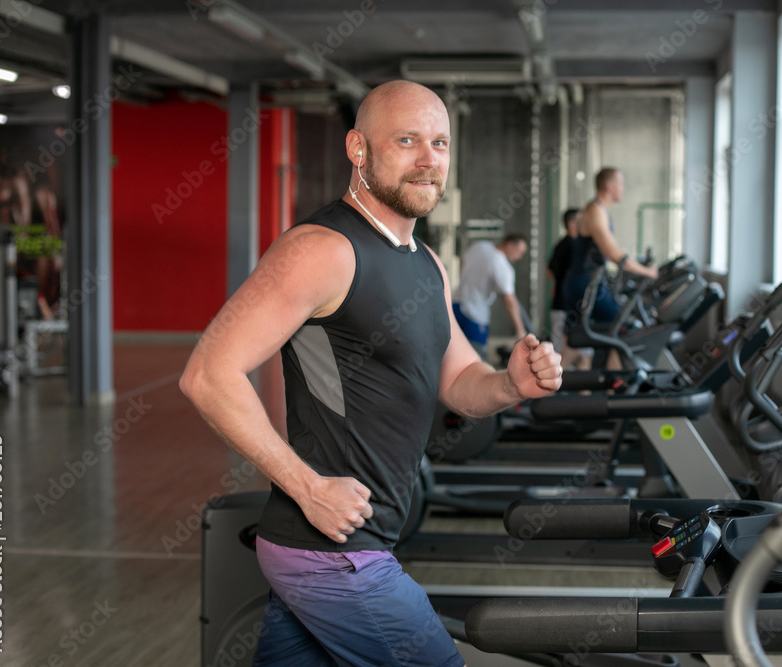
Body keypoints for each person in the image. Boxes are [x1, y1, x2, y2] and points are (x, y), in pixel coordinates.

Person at [180, 80, 562, 667]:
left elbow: (460, 382)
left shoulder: (427, 264)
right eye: (406, 140)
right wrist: (308, 487)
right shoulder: (321, 250)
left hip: (343, 542)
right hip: (333, 554)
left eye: (439, 142)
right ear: (359, 149)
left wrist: (512, 384)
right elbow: (208, 374)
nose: (428, 158)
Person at [561, 167, 658, 326]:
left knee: (575, 342)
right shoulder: (595, 211)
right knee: (623, 327)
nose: (623, 188)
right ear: (609, 186)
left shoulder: (599, 211)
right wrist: (647, 271)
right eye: (621, 183)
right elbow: (615, 255)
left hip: (582, 282)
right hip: (587, 285)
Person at [451, 233, 529, 359]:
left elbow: (463, 263)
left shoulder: (479, 246)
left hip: (455, 304)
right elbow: (509, 301)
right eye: (519, 252)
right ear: (509, 245)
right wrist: (520, 330)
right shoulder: (503, 266)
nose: (519, 257)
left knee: (452, 353)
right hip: (475, 314)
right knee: (475, 360)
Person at [546, 208, 592, 370]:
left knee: (584, 355)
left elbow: (550, 272)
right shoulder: (570, 246)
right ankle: (549, 394)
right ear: (572, 224)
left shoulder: (569, 245)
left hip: (571, 307)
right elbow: (554, 272)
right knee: (560, 356)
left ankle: (584, 394)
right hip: (565, 308)